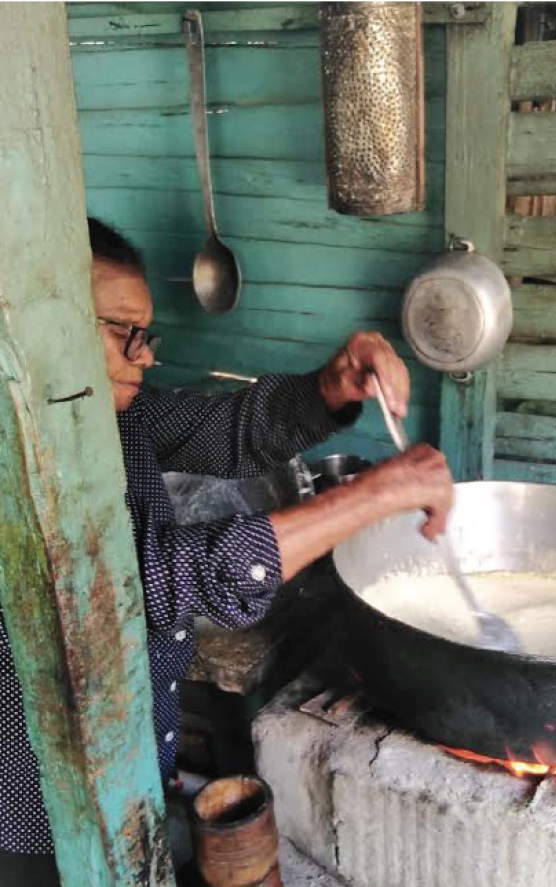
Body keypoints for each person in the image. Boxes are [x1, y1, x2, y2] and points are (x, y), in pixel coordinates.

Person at [0, 218, 454, 885]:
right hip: (35, 809)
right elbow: (152, 580)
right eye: (123, 331)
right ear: (46, 322)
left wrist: (329, 387)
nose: (144, 354)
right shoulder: (15, 461)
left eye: (144, 334)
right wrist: (370, 495)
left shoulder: (115, 415)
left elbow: (230, 432)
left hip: (125, 767)